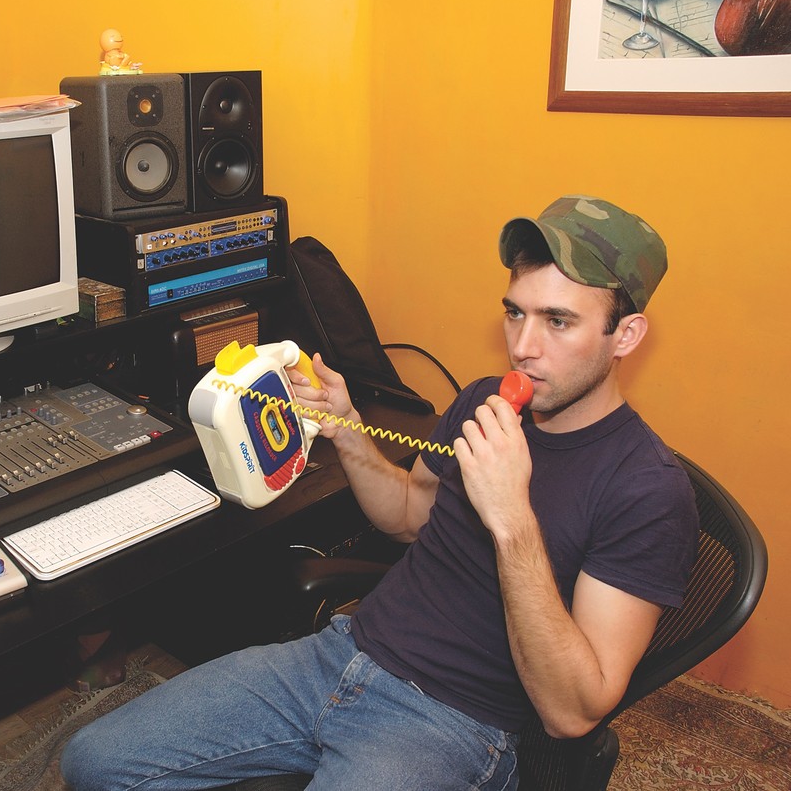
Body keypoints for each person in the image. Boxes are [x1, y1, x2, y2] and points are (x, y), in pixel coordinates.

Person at [60, 195, 699, 790]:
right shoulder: (483, 400)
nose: (523, 349)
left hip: (451, 722)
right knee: (95, 761)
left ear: (625, 335)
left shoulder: (648, 490)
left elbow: (572, 712)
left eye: (558, 321)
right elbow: (407, 516)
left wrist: (512, 519)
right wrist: (347, 430)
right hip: (342, 653)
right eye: (515, 313)